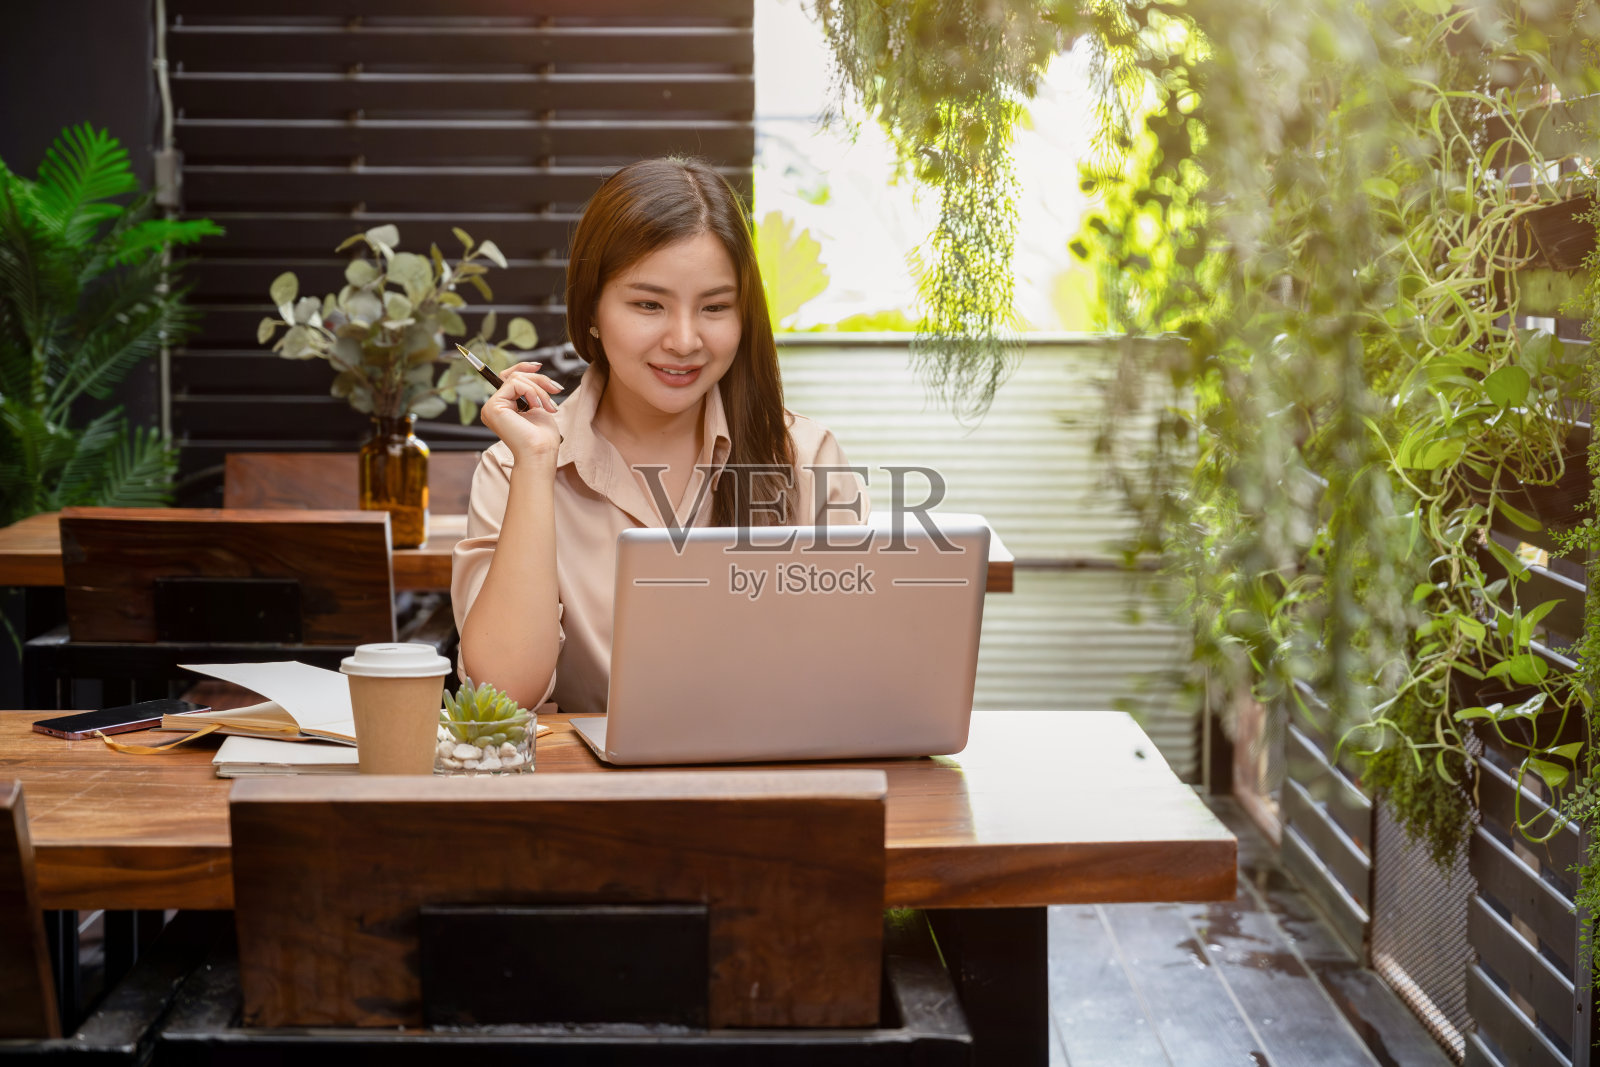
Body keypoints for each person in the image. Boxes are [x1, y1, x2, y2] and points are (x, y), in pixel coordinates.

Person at [451, 157, 870, 716]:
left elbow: (852, 677)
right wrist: (535, 464)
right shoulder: (513, 469)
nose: (684, 339)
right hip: (586, 794)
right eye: (649, 304)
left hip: (765, 786)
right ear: (592, 310)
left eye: (716, 307)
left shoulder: (806, 458)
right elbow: (504, 695)